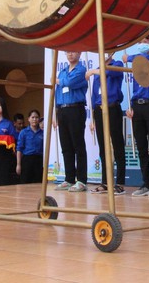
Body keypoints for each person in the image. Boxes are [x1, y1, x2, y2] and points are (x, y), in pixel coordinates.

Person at [123, 33, 149, 198]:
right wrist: (130, 106)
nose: (141, 44)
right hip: (137, 106)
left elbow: (140, 59)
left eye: (145, 41)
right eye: (139, 41)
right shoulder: (136, 63)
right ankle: (145, 183)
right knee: (141, 147)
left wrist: (129, 56)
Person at [87, 52, 127, 195]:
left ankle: (120, 183)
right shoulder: (98, 70)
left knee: (117, 145)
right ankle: (105, 182)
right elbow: (93, 96)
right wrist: (92, 117)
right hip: (99, 110)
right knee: (103, 147)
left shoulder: (117, 65)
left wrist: (93, 71)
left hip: (112, 107)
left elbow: (110, 72)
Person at [54, 50, 89, 192]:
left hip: (75, 108)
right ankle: (69, 178)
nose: (70, 54)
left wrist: (58, 81)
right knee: (66, 145)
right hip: (62, 109)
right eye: (68, 52)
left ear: (79, 54)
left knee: (78, 145)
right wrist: (56, 114)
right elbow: (57, 92)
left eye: (73, 52)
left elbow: (70, 82)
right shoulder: (62, 71)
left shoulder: (81, 69)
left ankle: (81, 180)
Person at [17, 110, 45, 184]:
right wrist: (18, 165)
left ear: (39, 119)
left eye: (36, 117)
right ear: (28, 119)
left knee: (38, 183)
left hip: (39, 160)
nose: (34, 119)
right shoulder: (23, 132)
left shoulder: (43, 133)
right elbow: (19, 149)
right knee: (25, 183)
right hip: (27, 160)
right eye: (32, 117)